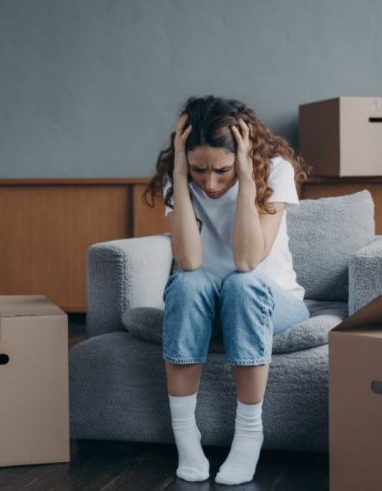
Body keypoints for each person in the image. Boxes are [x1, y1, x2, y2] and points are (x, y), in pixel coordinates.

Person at [143, 95, 311, 485]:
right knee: (185, 284)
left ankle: (249, 434)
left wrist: (250, 178)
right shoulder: (183, 176)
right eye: (199, 170)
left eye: (222, 170)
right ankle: (186, 436)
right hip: (205, 305)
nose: (211, 182)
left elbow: (247, 260)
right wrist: (182, 180)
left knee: (242, 284)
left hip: (269, 301)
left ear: (243, 154)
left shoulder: (275, 170)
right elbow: (187, 260)